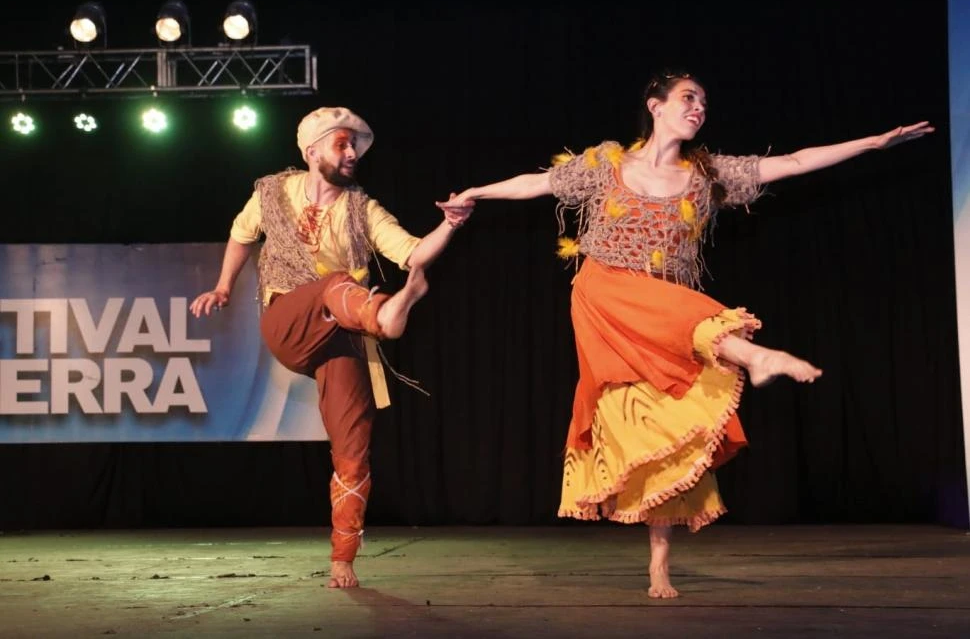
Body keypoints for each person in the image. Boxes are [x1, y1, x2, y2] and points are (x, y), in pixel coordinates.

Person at [437, 71, 933, 598]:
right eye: (688, 98)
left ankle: (659, 565)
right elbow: (536, 182)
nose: (699, 108)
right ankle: (755, 355)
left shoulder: (707, 175)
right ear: (655, 105)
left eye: (704, 103)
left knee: (660, 432)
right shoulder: (607, 166)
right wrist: (475, 192)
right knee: (683, 314)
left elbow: (789, 163)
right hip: (604, 296)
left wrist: (874, 142)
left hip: (663, 314)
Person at [190, 106, 471, 589]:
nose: (350, 154)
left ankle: (343, 558)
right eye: (341, 145)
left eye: (355, 148)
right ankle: (383, 313)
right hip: (288, 321)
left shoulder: (363, 209)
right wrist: (222, 286)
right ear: (311, 150)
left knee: (354, 445)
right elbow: (241, 236)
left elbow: (411, 252)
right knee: (333, 283)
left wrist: (450, 224)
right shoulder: (273, 193)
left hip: (342, 336)